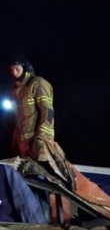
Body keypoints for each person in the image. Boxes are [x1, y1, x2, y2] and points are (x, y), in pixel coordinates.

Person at [8, 56, 76, 184]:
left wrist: (43, 137)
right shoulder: (16, 90)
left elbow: (47, 111)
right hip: (23, 146)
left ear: (26, 68)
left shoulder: (37, 83)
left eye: (17, 69)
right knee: (26, 182)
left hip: (37, 143)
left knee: (42, 180)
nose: (14, 72)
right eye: (11, 70)